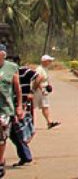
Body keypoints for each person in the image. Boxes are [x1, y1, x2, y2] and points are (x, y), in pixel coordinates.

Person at [0, 45, 26, 176]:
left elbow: (17, 89)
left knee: (1, 136)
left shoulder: (11, 68)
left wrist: (19, 106)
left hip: (4, 108)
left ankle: (0, 161)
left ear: (3, 55)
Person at [10, 55, 33, 168]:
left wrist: (19, 106)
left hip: (9, 106)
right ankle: (25, 155)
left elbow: (17, 90)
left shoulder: (19, 71)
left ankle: (25, 155)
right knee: (14, 133)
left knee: (14, 132)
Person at [34, 54, 60, 129]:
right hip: (38, 90)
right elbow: (37, 80)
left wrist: (49, 86)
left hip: (44, 90)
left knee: (45, 106)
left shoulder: (45, 69)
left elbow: (46, 79)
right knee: (32, 106)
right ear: (44, 61)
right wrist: (41, 89)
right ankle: (30, 122)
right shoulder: (39, 69)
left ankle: (49, 122)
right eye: (49, 61)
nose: (50, 62)